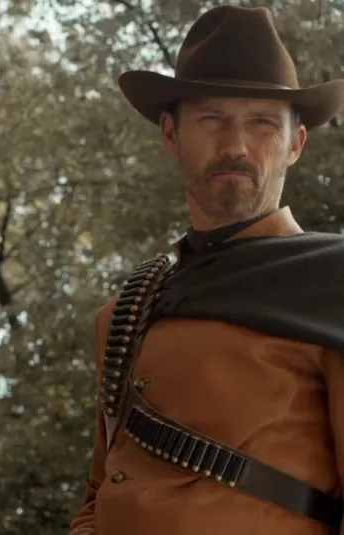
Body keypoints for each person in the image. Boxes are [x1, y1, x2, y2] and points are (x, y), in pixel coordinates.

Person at [69, 5, 344, 535]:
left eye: (262, 122)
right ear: (171, 134)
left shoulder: (333, 280)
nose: (235, 146)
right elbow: (100, 494)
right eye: (211, 119)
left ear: (295, 144)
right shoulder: (128, 311)